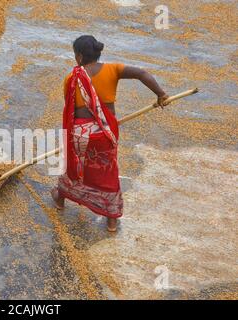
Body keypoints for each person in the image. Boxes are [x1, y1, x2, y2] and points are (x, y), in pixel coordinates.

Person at [51, 35, 168, 232]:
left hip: (80, 134)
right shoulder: (113, 69)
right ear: (97, 53)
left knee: (74, 166)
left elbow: (70, 108)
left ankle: (60, 199)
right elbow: (142, 73)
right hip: (104, 135)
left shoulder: (72, 78)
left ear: (79, 56)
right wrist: (161, 94)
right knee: (107, 173)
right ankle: (111, 219)